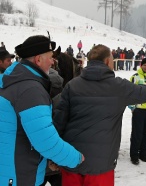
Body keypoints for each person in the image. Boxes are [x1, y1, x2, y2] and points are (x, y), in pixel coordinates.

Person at [53, 44, 146, 186]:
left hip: (70, 161)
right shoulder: (118, 87)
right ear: (107, 61)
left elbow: (59, 122)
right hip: (101, 166)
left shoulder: (72, 85)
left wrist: (53, 156)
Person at [0, 35, 84, 186]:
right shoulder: (30, 89)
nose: (53, 62)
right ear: (38, 60)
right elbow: (46, 141)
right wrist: (75, 158)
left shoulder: (13, 77)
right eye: (51, 57)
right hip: (19, 176)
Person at [129, 58, 146, 165]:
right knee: (137, 133)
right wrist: (132, 108)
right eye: (144, 65)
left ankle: (143, 154)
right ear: (141, 66)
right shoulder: (135, 77)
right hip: (139, 110)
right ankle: (134, 155)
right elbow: (130, 93)